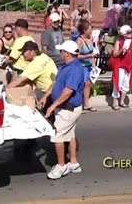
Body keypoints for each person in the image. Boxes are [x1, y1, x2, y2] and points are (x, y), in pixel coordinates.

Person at [38, 40, 85, 180]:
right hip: (65, 108)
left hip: (68, 109)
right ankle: (74, 163)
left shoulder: (75, 69)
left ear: (67, 54)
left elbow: (68, 91)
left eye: (62, 51)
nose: (60, 54)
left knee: (58, 137)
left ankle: (61, 165)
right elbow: (56, 83)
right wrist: (46, 96)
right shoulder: (65, 66)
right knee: (70, 135)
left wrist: (52, 106)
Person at [110, 25, 132, 110]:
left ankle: (122, 101)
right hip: (120, 66)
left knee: (126, 84)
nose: (130, 33)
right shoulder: (119, 41)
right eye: (128, 32)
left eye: (130, 32)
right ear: (124, 34)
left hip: (128, 66)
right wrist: (121, 50)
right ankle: (115, 102)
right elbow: (114, 54)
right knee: (118, 84)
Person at [76, 20, 97, 112]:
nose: (91, 30)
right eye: (89, 29)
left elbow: (92, 53)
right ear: (84, 30)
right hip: (82, 66)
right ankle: (79, 104)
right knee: (82, 85)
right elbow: (76, 55)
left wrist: (93, 64)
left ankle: (86, 104)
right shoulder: (79, 41)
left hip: (89, 66)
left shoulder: (90, 39)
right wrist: (87, 56)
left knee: (88, 84)